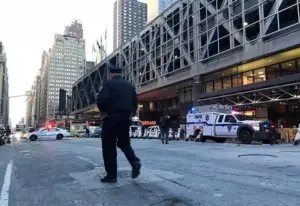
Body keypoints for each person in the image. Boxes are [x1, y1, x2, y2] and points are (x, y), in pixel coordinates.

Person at [97, 65, 141, 183]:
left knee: (109, 146)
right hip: (125, 119)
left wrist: (104, 112)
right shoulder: (129, 86)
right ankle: (134, 162)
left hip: (111, 118)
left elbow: (101, 100)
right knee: (124, 143)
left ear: (111, 73)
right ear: (120, 73)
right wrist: (130, 114)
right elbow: (135, 103)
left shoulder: (108, 84)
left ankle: (111, 176)